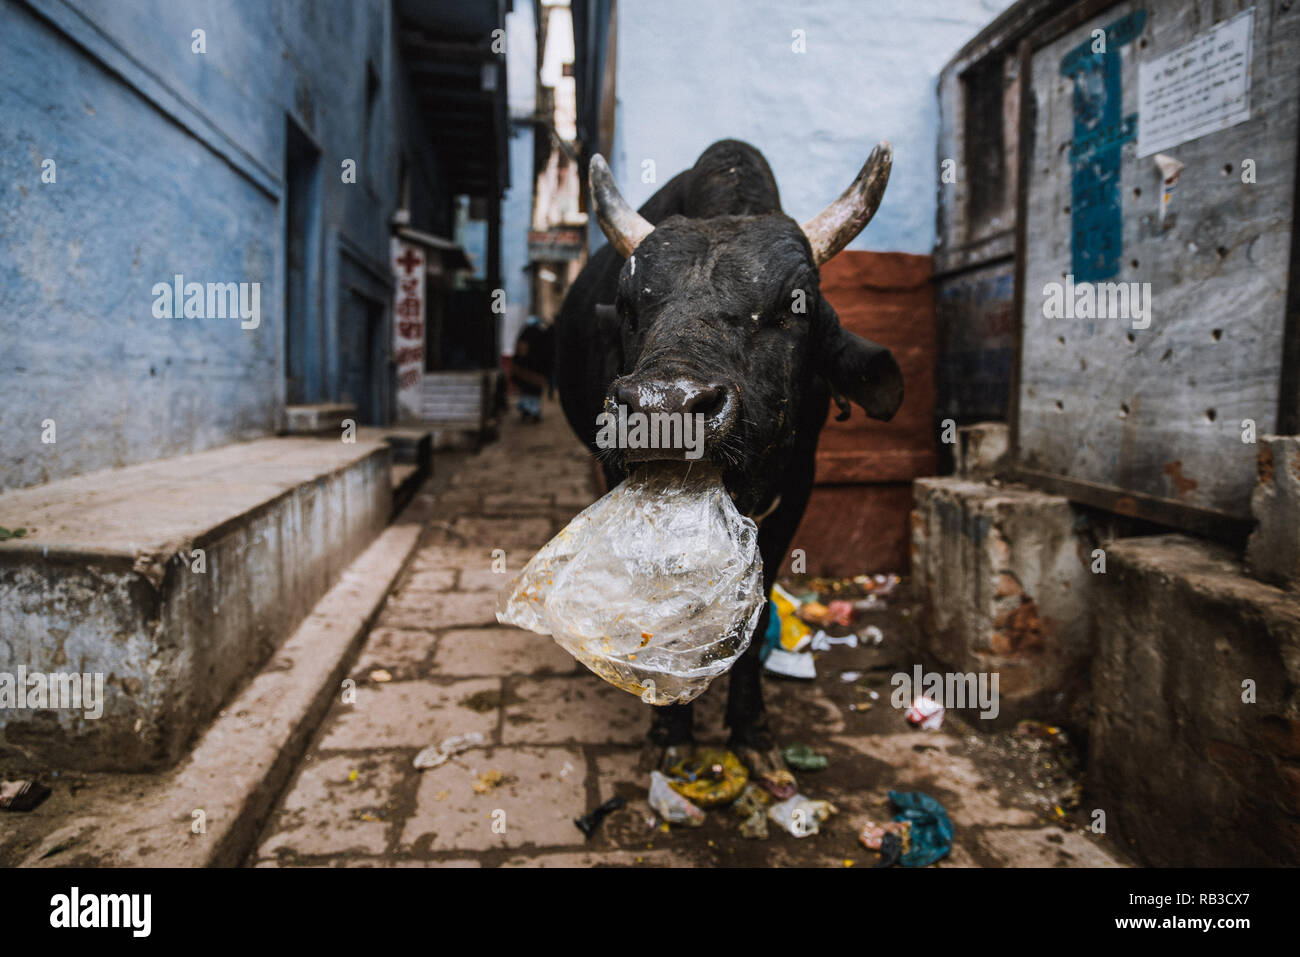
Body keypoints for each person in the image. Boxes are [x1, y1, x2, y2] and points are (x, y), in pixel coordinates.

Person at [512, 316, 553, 422]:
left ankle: (527, 412)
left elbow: (519, 352)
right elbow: (548, 353)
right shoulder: (542, 335)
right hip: (538, 372)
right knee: (534, 394)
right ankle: (534, 412)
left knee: (526, 392)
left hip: (526, 371)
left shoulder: (525, 334)